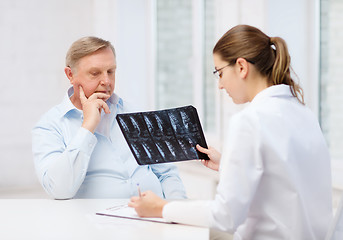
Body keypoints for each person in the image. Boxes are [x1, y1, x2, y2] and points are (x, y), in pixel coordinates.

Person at [128, 25, 333, 239]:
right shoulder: (304, 113)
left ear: (242, 67)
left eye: (220, 73)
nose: (220, 85)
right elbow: (282, 180)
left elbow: (225, 217)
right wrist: (227, 164)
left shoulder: (249, 121)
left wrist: (161, 207)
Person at [32, 36, 186, 200]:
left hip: (154, 216)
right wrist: (87, 127)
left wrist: (176, 210)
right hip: (95, 222)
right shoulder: (49, 126)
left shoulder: (135, 113)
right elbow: (59, 190)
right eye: (95, 73)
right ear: (70, 75)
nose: (106, 81)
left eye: (110, 72)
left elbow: (167, 174)